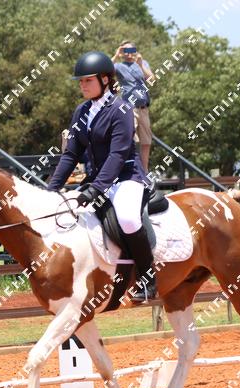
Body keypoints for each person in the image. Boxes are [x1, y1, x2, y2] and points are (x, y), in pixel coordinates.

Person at [47, 51, 156, 303]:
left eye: (88, 80)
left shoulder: (121, 109)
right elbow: (70, 154)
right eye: (80, 81)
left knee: (128, 219)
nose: (82, 85)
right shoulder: (81, 111)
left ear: (105, 79)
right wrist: (51, 189)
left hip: (127, 178)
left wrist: (94, 189)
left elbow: (117, 155)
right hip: (98, 181)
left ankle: (148, 279)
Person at [112, 41, 154, 171]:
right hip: (129, 107)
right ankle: (131, 170)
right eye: (126, 51)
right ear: (122, 52)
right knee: (130, 138)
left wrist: (140, 64)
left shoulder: (142, 63)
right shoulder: (118, 66)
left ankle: (144, 172)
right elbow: (105, 71)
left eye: (131, 50)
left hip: (143, 108)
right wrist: (116, 55)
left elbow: (152, 79)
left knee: (146, 142)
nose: (129, 54)